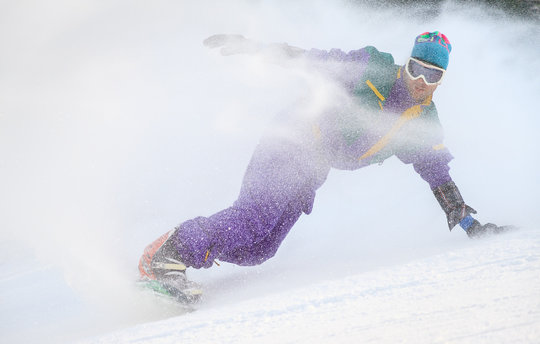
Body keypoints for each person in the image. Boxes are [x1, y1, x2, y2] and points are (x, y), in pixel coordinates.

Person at [138, 31, 512, 297]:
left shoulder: (422, 122)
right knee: (253, 219)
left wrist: (468, 222)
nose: (420, 80)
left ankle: (187, 244)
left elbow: (436, 173)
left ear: (441, 81)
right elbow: (315, 62)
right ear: (407, 63)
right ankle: (170, 257)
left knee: (259, 249)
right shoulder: (374, 70)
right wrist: (255, 48)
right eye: (415, 68)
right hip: (293, 139)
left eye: (432, 75)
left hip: (313, 168)